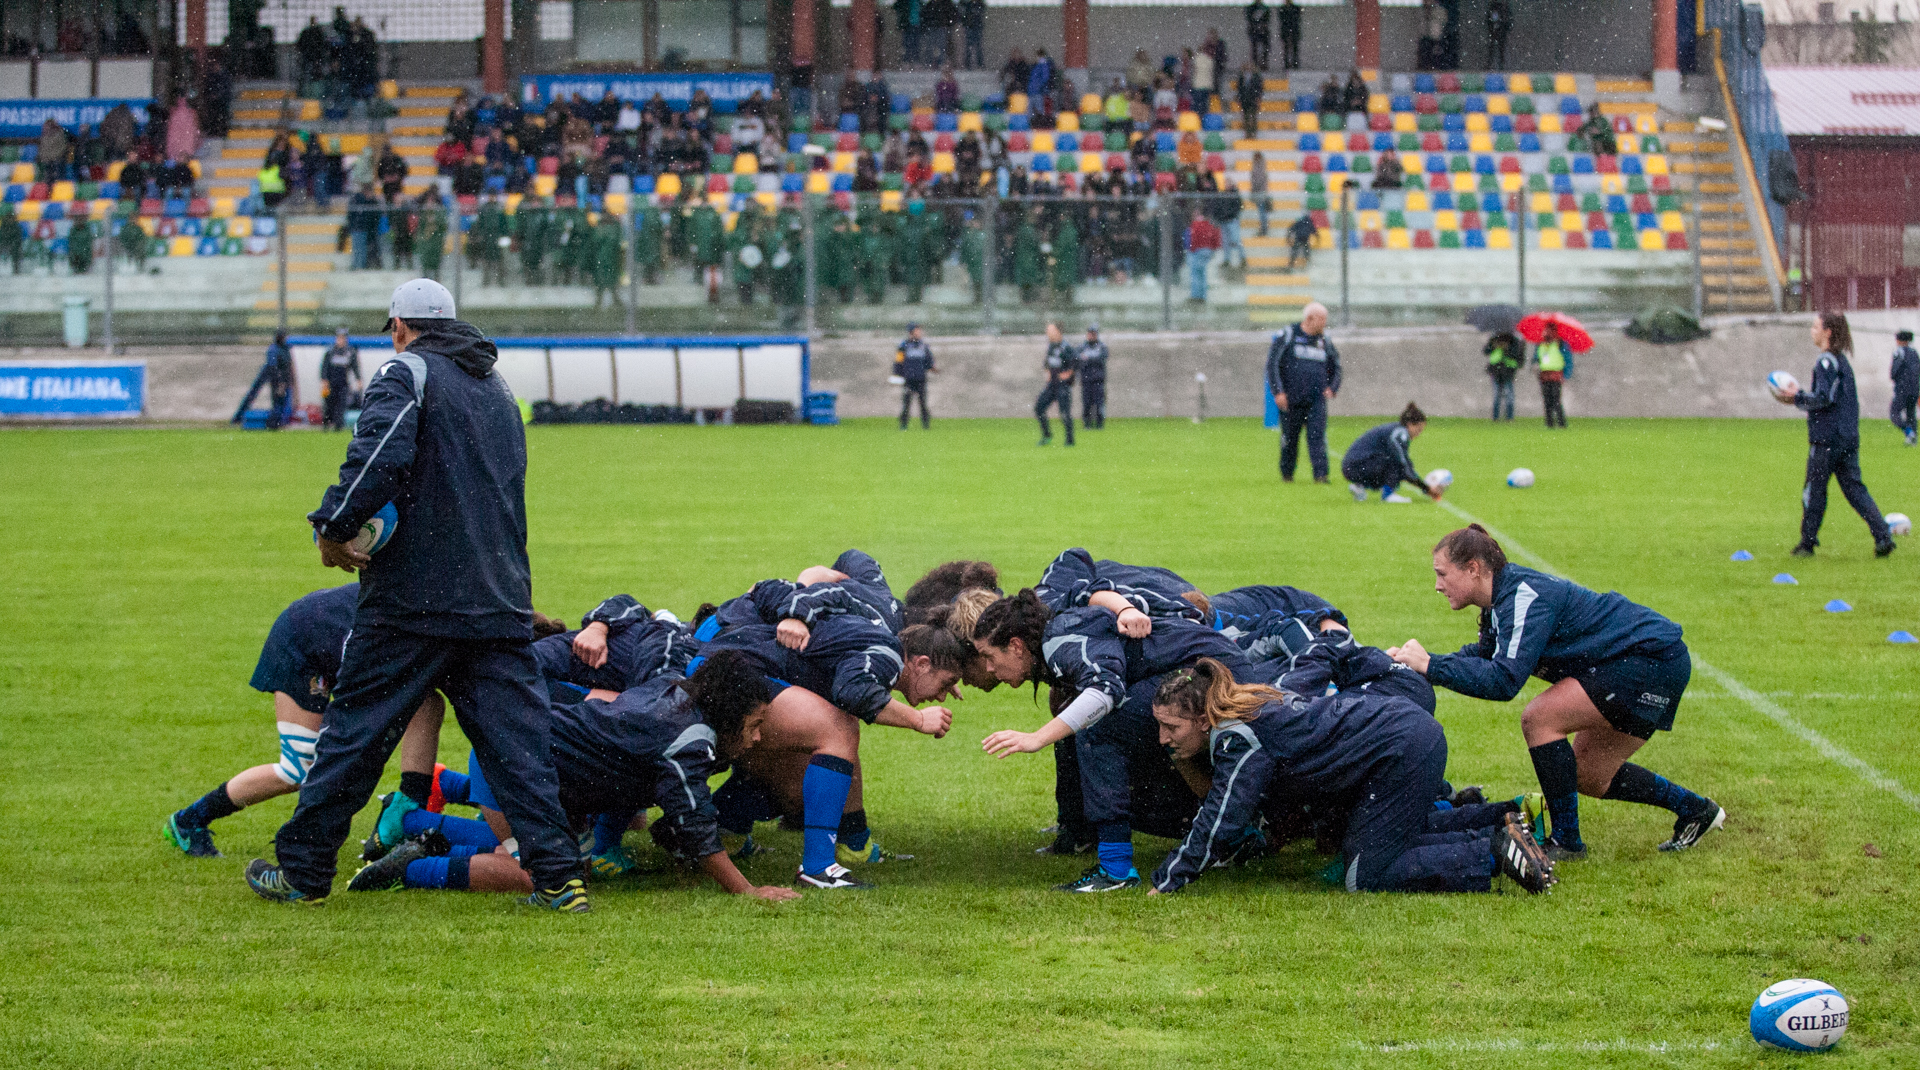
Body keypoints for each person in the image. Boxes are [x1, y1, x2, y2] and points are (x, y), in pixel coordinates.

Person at [246, 278, 589, 912]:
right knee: (521, 754)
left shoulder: (405, 373)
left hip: (415, 600)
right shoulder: (497, 388)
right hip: (498, 599)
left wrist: (334, 527)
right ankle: (560, 878)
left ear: (401, 326)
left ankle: (301, 872)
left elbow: (378, 454)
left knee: (353, 736)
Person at [1388, 525, 1727, 862]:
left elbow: (1504, 681)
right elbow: (1485, 654)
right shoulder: (1501, 601)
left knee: (1540, 718)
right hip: (1648, 660)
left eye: (1442, 574)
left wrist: (1432, 666)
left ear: (1473, 568)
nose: (1437, 585)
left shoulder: (1522, 597)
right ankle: (1697, 810)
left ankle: (1566, 841)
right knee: (1588, 773)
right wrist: (1415, 665)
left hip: (1649, 658)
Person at [346, 653, 803, 902]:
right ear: (727, 712)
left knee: (573, 867)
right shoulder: (688, 737)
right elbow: (698, 826)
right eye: (756, 724)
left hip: (522, 764)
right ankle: (412, 870)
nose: (759, 736)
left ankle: (416, 829)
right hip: (512, 767)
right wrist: (748, 892)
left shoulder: (677, 695)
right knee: (541, 878)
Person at [1144, 659, 1554, 895]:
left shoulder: (1236, 737)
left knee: (1365, 876)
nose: (1163, 739)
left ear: (1202, 719)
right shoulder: (1247, 702)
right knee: (1391, 835)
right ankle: (1504, 818)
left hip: (1401, 748)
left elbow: (1221, 818)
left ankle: (1492, 851)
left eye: (1171, 727)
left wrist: (1167, 880)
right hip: (1404, 735)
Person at [973, 590, 1261, 891]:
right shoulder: (1058, 631)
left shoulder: (1057, 641)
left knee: (1096, 728)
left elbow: (1105, 691)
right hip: (1215, 663)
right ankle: (1235, 836)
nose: (989, 669)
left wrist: (1036, 738)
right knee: (1089, 726)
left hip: (1213, 669)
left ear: (1016, 646)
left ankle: (1116, 870)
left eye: (989, 657)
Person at [163, 584, 445, 859]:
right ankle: (189, 821)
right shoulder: (423, 607)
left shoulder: (432, 601)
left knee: (428, 701)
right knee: (298, 769)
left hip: (331, 641)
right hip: (299, 646)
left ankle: (409, 806)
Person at [1774, 312, 1896, 558]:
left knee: (1814, 490)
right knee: (1855, 490)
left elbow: (1823, 398)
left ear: (1827, 332)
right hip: (1847, 437)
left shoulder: (1826, 362)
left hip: (1827, 439)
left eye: (1815, 326)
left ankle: (1807, 544)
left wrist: (1795, 397)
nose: (1812, 330)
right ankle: (1883, 536)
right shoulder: (1841, 362)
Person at [1266, 301, 1341, 483]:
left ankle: (1321, 475)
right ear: (1309, 318)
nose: (1324, 323)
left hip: (1316, 399)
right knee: (1290, 438)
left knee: (1317, 437)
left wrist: (1333, 387)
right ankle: (1287, 474)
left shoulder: (1325, 341)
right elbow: (1273, 364)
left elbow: (1336, 366)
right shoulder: (1289, 335)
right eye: (1321, 319)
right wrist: (1278, 392)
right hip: (1291, 398)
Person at [1342, 403, 1438, 503]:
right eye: (1419, 429)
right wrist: (1426, 488)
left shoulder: (1396, 430)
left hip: (1353, 467)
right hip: (1357, 466)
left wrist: (1423, 487)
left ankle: (1359, 487)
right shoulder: (1400, 434)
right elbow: (1403, 464)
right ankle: (1388, 495)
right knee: (1396, 463)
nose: (1418, 434)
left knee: (1397, 465)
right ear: (1410, 425)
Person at [1035, 321, 1077, 446]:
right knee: (1039, 408)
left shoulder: (1066, 347)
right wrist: (1047, 372)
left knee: (1064, 413)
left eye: (1050, 330)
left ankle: (1070, 440)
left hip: (1062, 386)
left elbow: (1075, 363)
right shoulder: (1051, 346)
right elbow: (1047, 363)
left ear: (1058, 332)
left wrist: (1068, 374)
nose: (1047, 333)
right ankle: (1047, 435)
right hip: (1051, 385)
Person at [894, 323, 937, 430]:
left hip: (920, 379)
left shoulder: (923, 346)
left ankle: (925, 425)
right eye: (917, 330)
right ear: (911, 332)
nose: (919, 333)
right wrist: (898, 374)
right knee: (906, 403)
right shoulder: (904, 346)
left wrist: (932, 368)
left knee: (923, 403)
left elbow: (928, 360)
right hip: (908, 379)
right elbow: (898, 361)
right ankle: (903, 425)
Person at [1531, 321, 1571, 428]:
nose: (1546, 332)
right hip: (1544, 375)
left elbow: (1568, 359)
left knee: (1556, 399)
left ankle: (1561, 422)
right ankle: (1549, 423)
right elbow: (1536, 358)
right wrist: (1535, 365)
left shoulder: (1560, 344)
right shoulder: (1540, 344)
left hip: (1556, 375)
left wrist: (1566, 375)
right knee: (1547, 400)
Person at [321, 328, 361, 431]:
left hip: (343, 383)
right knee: (329, 405)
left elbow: (355, 367)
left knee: (341, 405)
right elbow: (324, 368)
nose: (341, 340)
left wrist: (358, 379)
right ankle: (326, 424)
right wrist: (324, 381)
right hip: (331, 383)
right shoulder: (330, 352)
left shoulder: (349, 352)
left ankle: (338, 426)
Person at [1185, 210, 1221, 303]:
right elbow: (1215, 237)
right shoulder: (1209, 225)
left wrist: (1192, 249)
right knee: (1203, 274)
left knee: (1195, 274)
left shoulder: (1195, 225)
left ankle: (1196, 295)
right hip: (1207, 250)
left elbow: (1193, 239)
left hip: (1198, 251)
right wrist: (1213, 248)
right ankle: (1203, 295)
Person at [1078, 324, 1110, 429]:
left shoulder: (1102, 347)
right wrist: (1090, 360)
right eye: (1090, 333)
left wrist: (1088, 359)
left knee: (1099, 403)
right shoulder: (1082, 347)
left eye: (1093, 334)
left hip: (1098, 380)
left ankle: (1099, 423)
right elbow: (1078, 359)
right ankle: (1087, 423)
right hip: (1086, 380)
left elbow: (1102, 359)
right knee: (1087, 403)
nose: (1091, 336)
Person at [1485, 329, 1521, 420]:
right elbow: (1486, 351)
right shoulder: (1493, 339)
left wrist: (1506, 349)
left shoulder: (1513, 340)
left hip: (1508, 371)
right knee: (1496, 395)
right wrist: (1494, 346)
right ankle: (1495, 417)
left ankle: (1509, 417)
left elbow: (1516, 354)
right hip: (1496, 370)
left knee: (1509, 395)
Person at [1890, 328, 1917, 445]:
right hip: (1914, 389)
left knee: (1894, 413)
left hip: (1902, 389)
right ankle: (1913, 438)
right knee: (1911, 413)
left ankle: (1909, 432)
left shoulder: (1899, 353)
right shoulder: (1914, 352)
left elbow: (1893, 373)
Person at [1246, 0, 1272, 69]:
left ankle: (1263, 63)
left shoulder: (1265, 8)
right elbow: (1249, 18)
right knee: (1254, 48)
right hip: (1254, 30)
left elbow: (1267, 19)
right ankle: (1255, 64)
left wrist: (1262, 25)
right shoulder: (1251, 8)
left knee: (1265, 48)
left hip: (1263, 30)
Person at [1486, 0, 1512, 70]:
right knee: (1494, 49)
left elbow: (1509, 20)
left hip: (1500, 32)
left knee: (1500, 49)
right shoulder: (1494, 8)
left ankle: (1499, 66)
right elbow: (1489, 20)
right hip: (1496, 32)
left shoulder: (1504, 8)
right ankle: (1492, 65)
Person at [1278, 0, 1302, 69]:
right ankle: (1287, 64)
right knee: (1286, 48)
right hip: (1286, 30)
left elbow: (1297, 19)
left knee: (1295, 48)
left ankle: (1295, 63)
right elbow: (1282, 19)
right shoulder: (1282, 8)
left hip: (1293, 30)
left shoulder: (1296, 8)